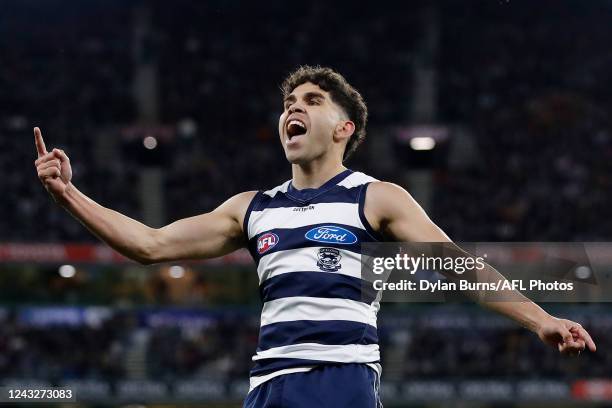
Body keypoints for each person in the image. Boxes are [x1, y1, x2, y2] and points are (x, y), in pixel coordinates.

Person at [34, 66, 596, 408]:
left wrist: (540, 318)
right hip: (267, 385)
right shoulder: (250, 208)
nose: (293, 110)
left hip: (337, 382)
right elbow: (149, 245)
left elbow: (456, 266)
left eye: (311, 101)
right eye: (288, 104)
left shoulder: (376, 196)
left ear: (344, 128)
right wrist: (69, 195)